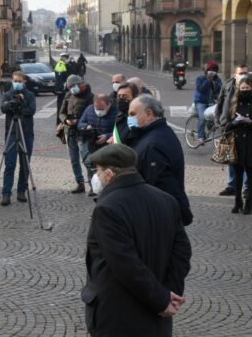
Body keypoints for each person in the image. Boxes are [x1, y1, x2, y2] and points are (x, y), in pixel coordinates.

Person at [82, 144, 191, 336]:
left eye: (97, 171)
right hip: (157, 318)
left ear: (109, 174)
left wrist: (162, 300)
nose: (95, 176)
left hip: (119, 316)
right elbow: (181, 253)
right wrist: (168, 294)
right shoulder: (167, 200)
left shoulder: (107, 208)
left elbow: (125, 264)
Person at [128, 95, 193, 226]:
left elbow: (159, 186)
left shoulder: (153, 144)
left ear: (148, 114)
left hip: (157, 217)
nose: (129, 118)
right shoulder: (159, 133)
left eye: (133, 114)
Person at [0, 71, 36, 206]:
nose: (17, 83)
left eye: (20, 81)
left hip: (26, 133)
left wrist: (20, 103)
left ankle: (21, 191)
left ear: (24, 81)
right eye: (15, 80)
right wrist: (12, 103)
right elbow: (3, 108)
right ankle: (6, 194)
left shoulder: (30, 95)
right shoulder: (7, 95)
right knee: (10, 164)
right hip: (11, 132)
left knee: (25, 164)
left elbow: (31, 111)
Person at [215, 64, 249, 196]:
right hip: (229, 126)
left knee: (246, 158)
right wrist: (219, 121)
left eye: (246, 72)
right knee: (230, 156)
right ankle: (232, 186)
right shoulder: (227, 85)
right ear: (235, 75)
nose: (244, 75)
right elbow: (220, 103)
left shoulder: (249, 85)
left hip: (245, 127)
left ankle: (246, 188)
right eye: (241, 73)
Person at [59, 75, 94, 194]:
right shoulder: (68, 95)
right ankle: (80, 183)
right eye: (69, 87)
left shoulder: (90, 97)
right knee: (74, 160)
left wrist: (79, 122)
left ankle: (93, 185)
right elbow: (61, 112)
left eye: (73, 86)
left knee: (87, 160)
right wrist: (65, 120)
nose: (72, 89)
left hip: (83, 133)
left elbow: (92, 115)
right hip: (69, 132)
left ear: (81, 84)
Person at [77, 94, 117, 196]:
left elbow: (119, 130)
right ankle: (93, 187)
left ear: (108, 105)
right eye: (97, 108)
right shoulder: (89, 109)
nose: (99, 110)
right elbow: (80, 123)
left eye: (102, 108)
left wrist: (107, 136)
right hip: (90, 142)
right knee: (89, 163)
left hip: (107, 144)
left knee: (106, 166)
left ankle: (107, 187)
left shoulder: (116, 112)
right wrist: (86, 126)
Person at [224, 76, 252, 214]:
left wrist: (249, 121)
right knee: (238, 175)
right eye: (243, 88)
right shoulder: (234, 103)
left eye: (247, 88)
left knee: (250, 176)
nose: (245, 90)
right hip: (238, 145)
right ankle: (237, 202)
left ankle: (249, 204)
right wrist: (234, 123)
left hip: (251, 144)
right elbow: (227, 124)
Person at [194, 61, 222, 145]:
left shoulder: (217, 79)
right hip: (200, 102)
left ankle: (210, 130)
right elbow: (201, 89)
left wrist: (215, 82)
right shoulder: (200, 78)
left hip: (212, 102)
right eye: (211, 70)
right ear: (207, 71)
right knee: (202, 117)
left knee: (217, 117)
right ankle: (200, 137)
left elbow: (220, 90)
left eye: (214, 71)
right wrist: (208, 80)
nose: (212, 72)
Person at [54, 53, 70, 125]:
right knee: (61, 106)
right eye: (66, 58)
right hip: (61, 90)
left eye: (67, 58)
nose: (67, 59)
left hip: (62, 89)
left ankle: (60, 122)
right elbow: (60, 79)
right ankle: (60, 122)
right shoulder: (60, 65)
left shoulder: (63, 64)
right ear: (63, 57)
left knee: (62, 106)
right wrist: (61, 89)